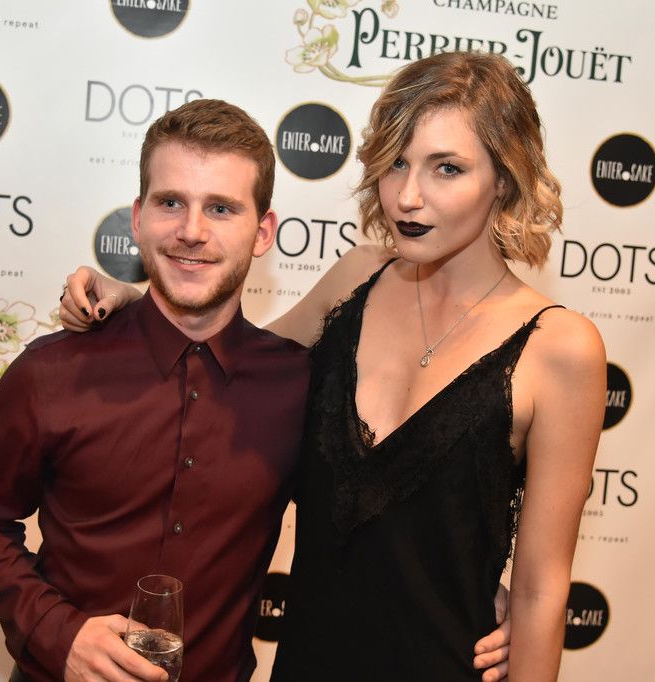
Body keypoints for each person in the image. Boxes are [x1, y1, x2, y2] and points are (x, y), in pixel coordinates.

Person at [60, 52, 605, 681]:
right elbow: (235, 359)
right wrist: (137, 301)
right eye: (396, 162)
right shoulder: (357, 278)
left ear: (503, 181)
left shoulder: (560, 348)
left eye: (447, 168)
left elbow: (540, 591)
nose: (407, 196)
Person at [0, 97, 511, 682]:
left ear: (262, 232)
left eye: (221, 208)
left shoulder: (301, 387)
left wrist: (483, 594)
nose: (192, 231)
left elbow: (374, 516)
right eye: (171, 203)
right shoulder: (54, 371)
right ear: (137, 218)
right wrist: (61, 635)